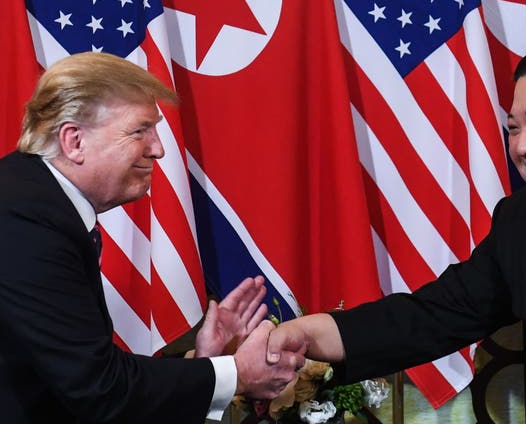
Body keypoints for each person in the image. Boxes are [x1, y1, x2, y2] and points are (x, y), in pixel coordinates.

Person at [266, 38, 526, 424]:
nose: (522, 146)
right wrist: (310, 335)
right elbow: (436, 316)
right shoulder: (521, 223)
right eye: (513, 128)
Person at [0, 52, 303, 424]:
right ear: (73, 141)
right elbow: (98, 389)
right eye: (140, 130)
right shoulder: (24, 217)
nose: (158, 149)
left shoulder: (35, 200)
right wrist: (237, 372)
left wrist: (207, 363)